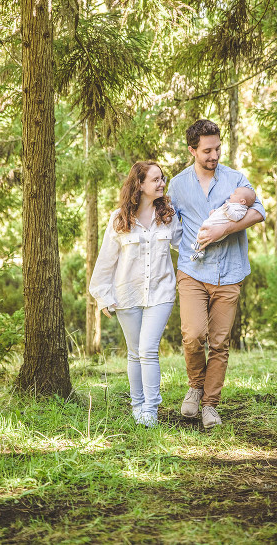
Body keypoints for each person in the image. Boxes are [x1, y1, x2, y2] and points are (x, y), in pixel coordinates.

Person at [167, 119, 265, 429]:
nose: (214, 155)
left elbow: (259, 211)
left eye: (218, 148)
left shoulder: (236, 179)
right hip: (193, 271)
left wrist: (224, 229)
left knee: (220, 343)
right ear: (192, 150)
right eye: (207, 150)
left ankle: (210, 404)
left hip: (230, 272)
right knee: (193, 335)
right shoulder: (178, 184)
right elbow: (169, 224)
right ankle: (195, 386)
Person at [89, 161, 182, 428]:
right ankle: (137, 405)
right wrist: (103, 296)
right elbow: (106, 260)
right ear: (140, 184)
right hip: (127, 293)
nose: (162, 183)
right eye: (155, 180)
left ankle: (151, 409)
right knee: (134, 352)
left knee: (148, 349)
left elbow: (184, 244)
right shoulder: (119, 219)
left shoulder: (167, 215)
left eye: (162, 179)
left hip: (161, 292)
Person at [191, 186, 256, 261]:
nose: (231, 195)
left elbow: (236, 217)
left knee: (203, 234)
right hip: (213, 223)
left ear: (242, 201)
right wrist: (214, 212)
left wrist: (228, 210)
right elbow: (221, 213)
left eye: (235, 194)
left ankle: (198, 245)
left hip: (217, 230)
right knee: (203, 231)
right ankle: (199, 252)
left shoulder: (241, 209)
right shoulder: (231, 205)